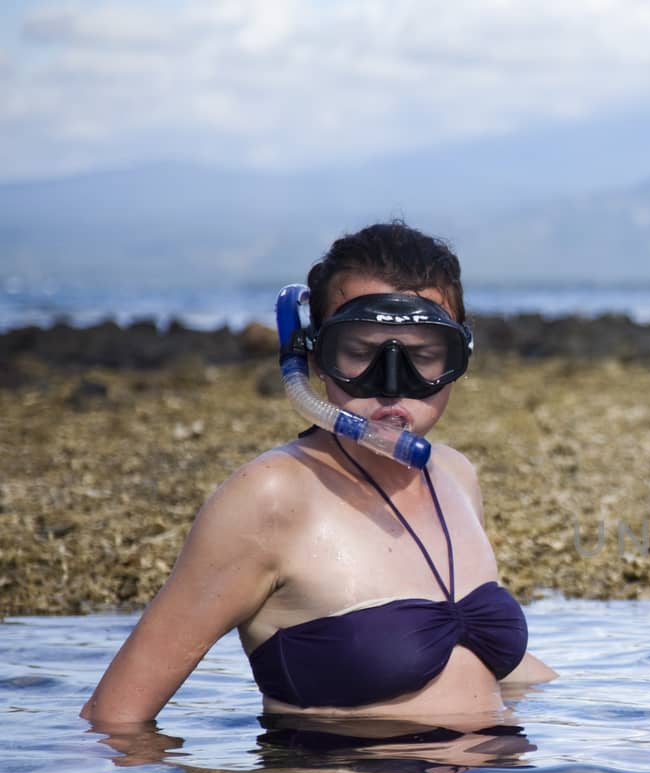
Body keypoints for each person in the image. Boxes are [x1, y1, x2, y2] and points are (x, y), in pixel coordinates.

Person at [81, 222, 555, 734]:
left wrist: (627, 731)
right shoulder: (272, 498)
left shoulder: (454, 478)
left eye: (422, 354)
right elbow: (116, 720)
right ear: (312, 357)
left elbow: (473, 660)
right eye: (359, 351)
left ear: (460, 355)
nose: (392, 384)